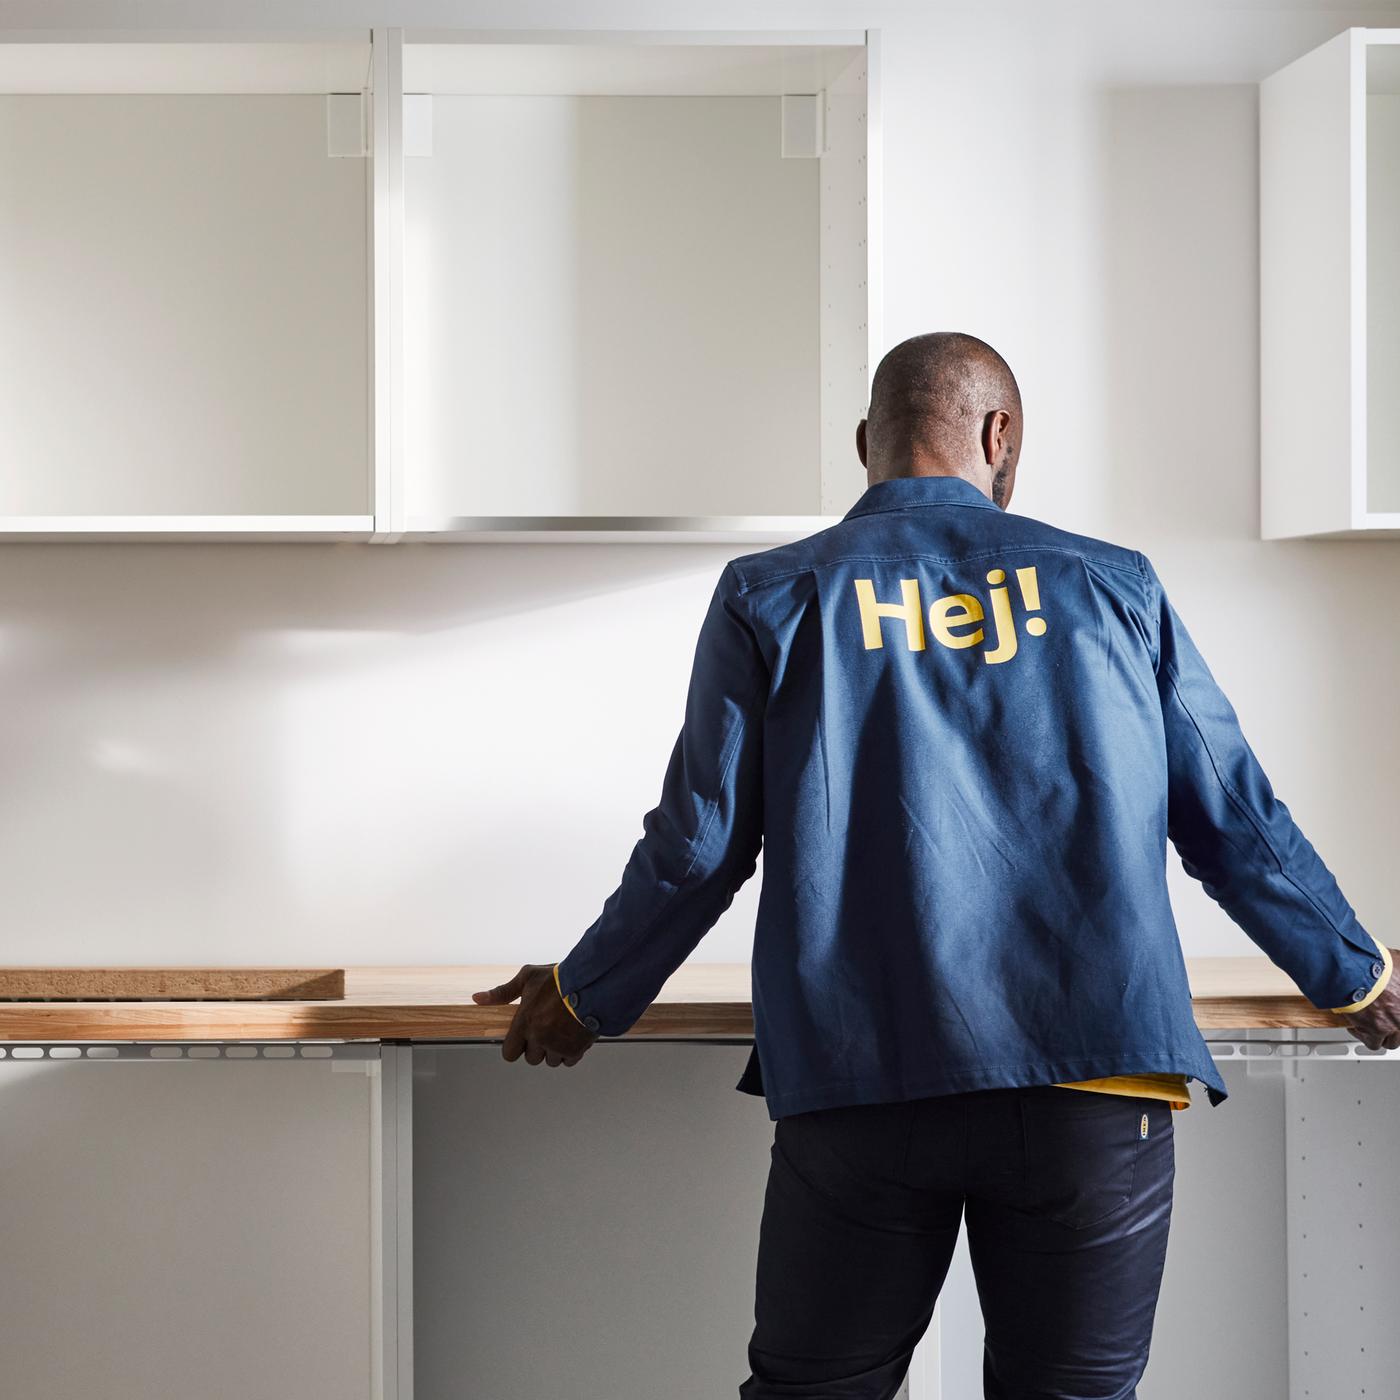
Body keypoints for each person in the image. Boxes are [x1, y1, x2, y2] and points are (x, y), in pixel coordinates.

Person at [473, 331, 1400, 1399]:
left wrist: (583, 997)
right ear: (998, 435)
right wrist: (1354, 972)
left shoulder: (770, 595)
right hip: (1090, 1077)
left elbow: (697, 845)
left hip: (864, 1081)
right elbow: (1230, 814)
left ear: (864, 442)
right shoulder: (1111, 586)